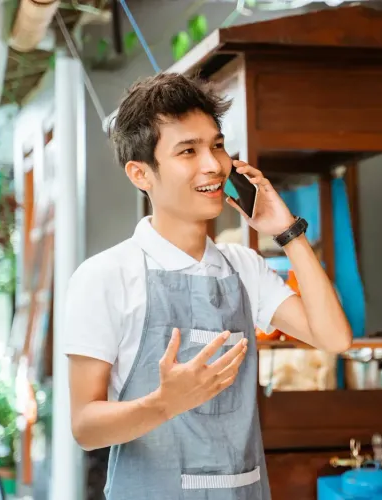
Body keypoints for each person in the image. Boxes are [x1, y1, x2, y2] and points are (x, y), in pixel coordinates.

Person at [63, 72, 352, 500]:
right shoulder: (105, 276)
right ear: (141, 173)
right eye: (188, 151)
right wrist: (164, 403)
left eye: (216, 145)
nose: (214, 165)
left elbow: (335, 338)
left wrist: (287, 232)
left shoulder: (243, 267)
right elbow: (85, 428)